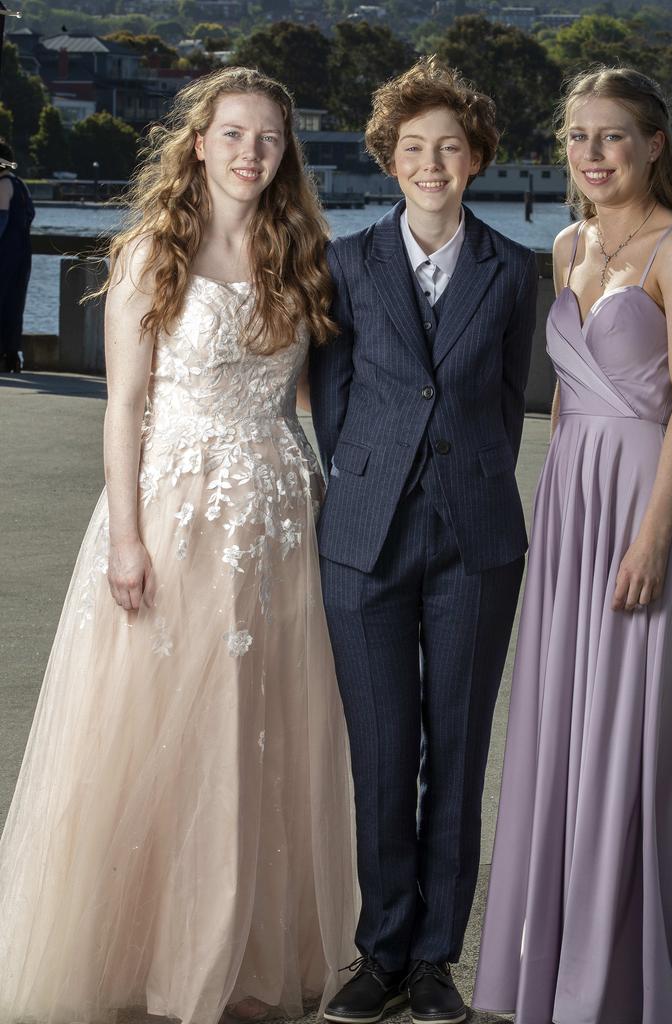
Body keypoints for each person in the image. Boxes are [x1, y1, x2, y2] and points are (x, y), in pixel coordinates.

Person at [0, 67, 357, 1024]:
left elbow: (321, 396)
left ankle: (245, 949)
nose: (251, 153)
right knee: (160, 732)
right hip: (173, 510)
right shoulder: (152, 251)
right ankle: (147, 954)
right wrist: (125, 537)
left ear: (287, 154)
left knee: (263, 735)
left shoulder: (303, 250)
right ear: (198, 142)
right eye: (234, 134)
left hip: (280, 517)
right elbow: (123, 406)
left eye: (270, 139)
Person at [473, 66, 672, 1024]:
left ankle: (627, 972)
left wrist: (653, 535)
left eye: (613, 135)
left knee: (631, 735)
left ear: (655, 144)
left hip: (645, 509)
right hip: (571, 508)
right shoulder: (566, 243)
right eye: (579, 135)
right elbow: (565, 397)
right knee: (562, 731)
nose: (593, 153)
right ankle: (561, 960)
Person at [310, 56, 538, 1024]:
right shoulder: (348, 262)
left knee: (457, 751)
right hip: (362, 537)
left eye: (450, 146)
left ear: (478, 158)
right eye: (414, 148)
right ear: (389, 161)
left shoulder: (516, 269)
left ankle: (438, 960)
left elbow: (506, 402)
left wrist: (463, 480)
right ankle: (381, 951)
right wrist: (369, 484)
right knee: (381, 749)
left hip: (476, 538)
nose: (432, 162)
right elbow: (334, 399)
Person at [0, 137, 34, 373]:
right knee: (15, 303)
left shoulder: (2, 185)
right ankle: (12, 354)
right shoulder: (21, 185)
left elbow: (0, 222)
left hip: (4, 254)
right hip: (22, 252)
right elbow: (29, 217)